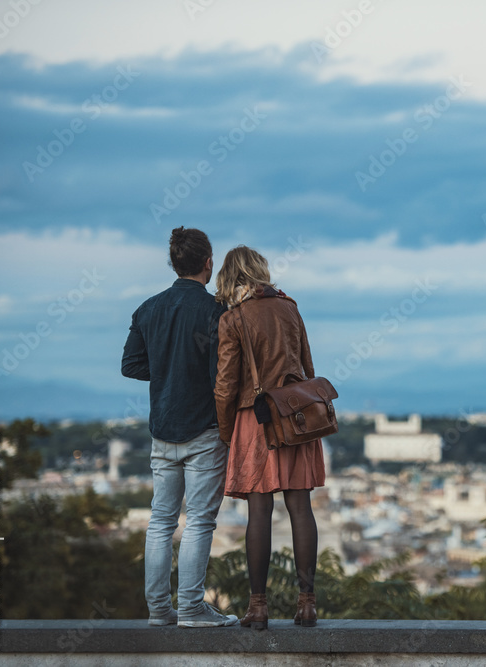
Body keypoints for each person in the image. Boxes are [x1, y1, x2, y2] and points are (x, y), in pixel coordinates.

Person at [121, 227, 238, 628]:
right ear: (208, 264)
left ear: (174, 263)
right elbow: (221, 377)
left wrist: (168, 370)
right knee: (200, 521)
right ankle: (190, 608)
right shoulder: (215, 312)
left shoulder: (148, 308)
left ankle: (158, 610)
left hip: (162, 428)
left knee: (161, 520)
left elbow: (131, 365)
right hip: (203, 429)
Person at [213, 245, 325, 630]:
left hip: (254, 420)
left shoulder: (233, 319)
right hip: (296, 417)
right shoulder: (291, 308)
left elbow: (225, 386)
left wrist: (228, 435)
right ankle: (307, 603)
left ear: (231, 278)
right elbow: (308, 369)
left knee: (259, 512)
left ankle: (258, 608)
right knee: (301, 508)